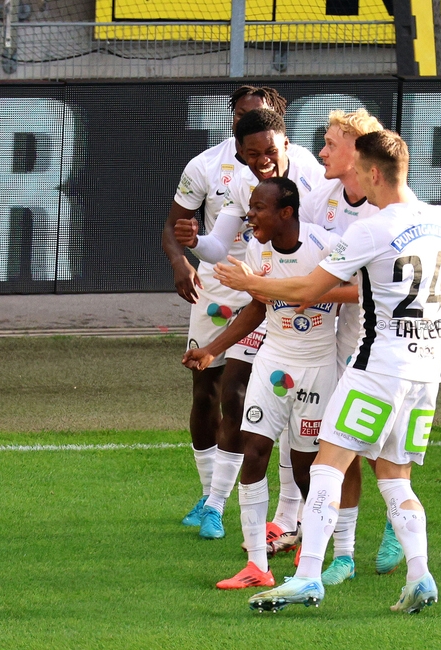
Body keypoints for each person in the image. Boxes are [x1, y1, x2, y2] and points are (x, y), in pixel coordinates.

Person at [214, 130, 441, 613]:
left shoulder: (372, 229)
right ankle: (420, 575)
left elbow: (308, 290)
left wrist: (248, 281)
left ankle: (308, 575)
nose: (353, 176)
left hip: (377, 368)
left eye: (359, 169)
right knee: (396, 478)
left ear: (374, 174)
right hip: (426, 373)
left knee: (326, 467)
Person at [183, 177, 350, 589]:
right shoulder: (258, 249)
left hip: (317, 366)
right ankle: (257, 565)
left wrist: (312, 295)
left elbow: (358, 291)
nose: (250, 215)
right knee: (254, 449)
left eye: (258, 208)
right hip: (274, 361)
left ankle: (315, 549)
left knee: (307, 467)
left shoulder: (324, 246)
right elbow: (257, 307)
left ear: (286, 213)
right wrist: (211, 349)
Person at [174, 106, 325, 543]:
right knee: (236, 391)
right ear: (240, 154)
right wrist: (195, 242)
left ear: (286, 144)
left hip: (315, 307)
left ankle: (292, 517)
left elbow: (323, 245)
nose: (263, 161)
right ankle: (216, 503)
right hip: (260, 293)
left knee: (301, 419)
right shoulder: (243, 184)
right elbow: (220, 246)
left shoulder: (313, 177)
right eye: (253, 154)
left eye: (270, 151)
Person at [162, 86, 293, 541]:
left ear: (277, 122)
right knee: (206, 391)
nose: (248, 123)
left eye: (258, 117)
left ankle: (227, 504)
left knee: (239, 392)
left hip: (268, 287)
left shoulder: (303, 176)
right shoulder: (208, 167)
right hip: (216, 286)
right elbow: (178, 228)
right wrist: (184, 258)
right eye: (241, 118)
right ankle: (209, 495)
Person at [297, 108, 407, 584]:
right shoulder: (321, 197)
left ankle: (393, 522)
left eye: (330, 143)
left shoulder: (390, 209)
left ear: (359, 154)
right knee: (340, 440)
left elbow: (349, 283)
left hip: (384, 340)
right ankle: (343, 550)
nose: (322, 150)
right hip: (341, 335)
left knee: (369, 442)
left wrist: (287, 291)